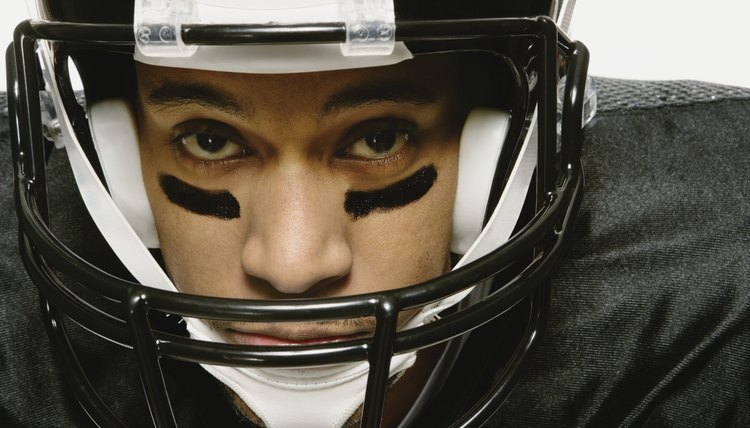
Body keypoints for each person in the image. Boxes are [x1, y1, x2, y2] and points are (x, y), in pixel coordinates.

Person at [3, 0, 749, 427]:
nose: (291, 265)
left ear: (503, 150)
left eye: (378, 137)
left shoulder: (716, 262)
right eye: (209, 138)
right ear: (115, 158)